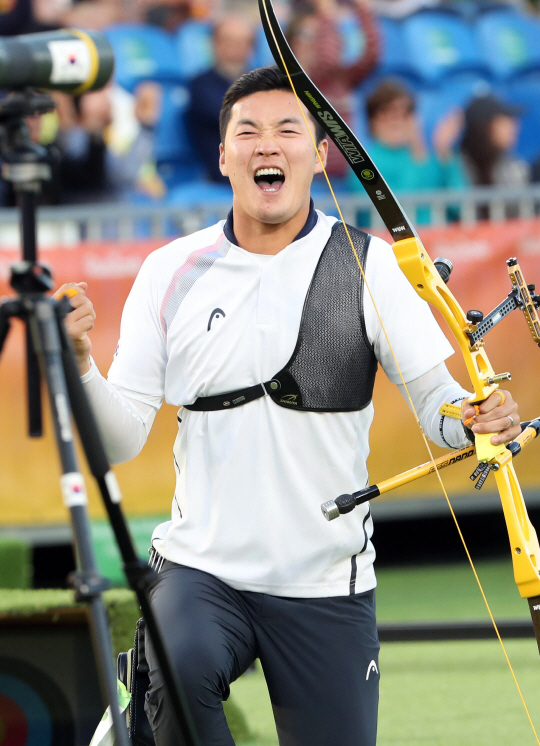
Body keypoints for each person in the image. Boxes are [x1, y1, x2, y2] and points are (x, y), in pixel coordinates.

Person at [58, 66, 521, 746]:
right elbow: (121, 437)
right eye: (247, 132)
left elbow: (438, 405)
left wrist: (475, 419)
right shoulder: (169, 270)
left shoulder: (371, 264)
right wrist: (76, 363)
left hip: (327, 581)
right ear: (223, 157)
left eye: (287, 130)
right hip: (200, 571)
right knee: (178, 681)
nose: (266, 145)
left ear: (319, 153)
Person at [347, 78, 467, 223]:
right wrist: (418, 152)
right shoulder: (362, 162)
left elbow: (461, 207)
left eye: (405, 113)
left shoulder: (432, 159)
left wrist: (444, 152)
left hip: (438, 243)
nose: (396, 120)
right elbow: (396, 211)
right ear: (372, 119)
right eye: (387, 112)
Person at [288, 0, 379, 178]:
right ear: (290, 43)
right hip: (308, 179)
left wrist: (363, 10)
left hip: (347, 178)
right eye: (306, 34)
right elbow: (326, 59)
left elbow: (371, 54)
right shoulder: (285, 80)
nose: (313, 41)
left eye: (318, 35)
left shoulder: (341, 78)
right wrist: (326, 12)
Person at [186, 15, 255, 183]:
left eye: (244, 42)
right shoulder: (200, 85)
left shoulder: (261, 84)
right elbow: (231, 117)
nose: (236, 48)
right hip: (220, 176)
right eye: (228, 40)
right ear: (214, 43)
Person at [460, 94, 529, 188]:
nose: (514, 127)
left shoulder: (514, 168)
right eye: (503, 120)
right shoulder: (457, 167)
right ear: (483, 127)